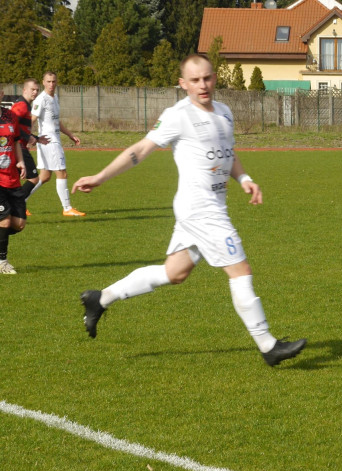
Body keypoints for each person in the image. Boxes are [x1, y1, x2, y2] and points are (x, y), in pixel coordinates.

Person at [72, 54, 306, 367]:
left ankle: (100, 299)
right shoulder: (177, 115)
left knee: (175, 273)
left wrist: (245, 179)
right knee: (241, 270)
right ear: (183, 84)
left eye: (207, 78)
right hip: (201, 211)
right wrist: (100, 177)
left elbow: (228, 154)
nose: (202, 85)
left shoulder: (223, 112)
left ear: (214, 78)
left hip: (209, 207)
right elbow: (140, 149)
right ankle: (268, 346)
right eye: (194, 80)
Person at [32, 71, 85, 216]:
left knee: (44, 176)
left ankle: (20, 201)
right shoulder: (41, 99)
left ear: (56, 82)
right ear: (43, 82)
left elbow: (57, 121)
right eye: (48, 81)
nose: (51, 84)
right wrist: (27, 137)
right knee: (62, 173)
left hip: (53, 140)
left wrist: (70, 135)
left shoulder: (54, 97)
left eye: (53, 81)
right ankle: (67, 208)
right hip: (49, 142)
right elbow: (31, 119)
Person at [9, 78, 50, 212]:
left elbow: (20, 128)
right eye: (32, 89)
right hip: (19, 148)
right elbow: (11, 124)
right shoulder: (21, 105)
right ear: (24, 90)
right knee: (33, 179)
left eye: (37, 90)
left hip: (18, 147)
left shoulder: (26, 105)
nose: (35, 92)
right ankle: (16, 204)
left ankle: (11, 204)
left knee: (12, 180)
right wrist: (28, 137)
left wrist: (37, 139)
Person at [0, 87, 29, 274]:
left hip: (12, 177)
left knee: (18, 223)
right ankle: (2, 261)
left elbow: (16, 141)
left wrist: (20, 161)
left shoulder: (10, 116)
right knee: (4, 221)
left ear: (1, 94)